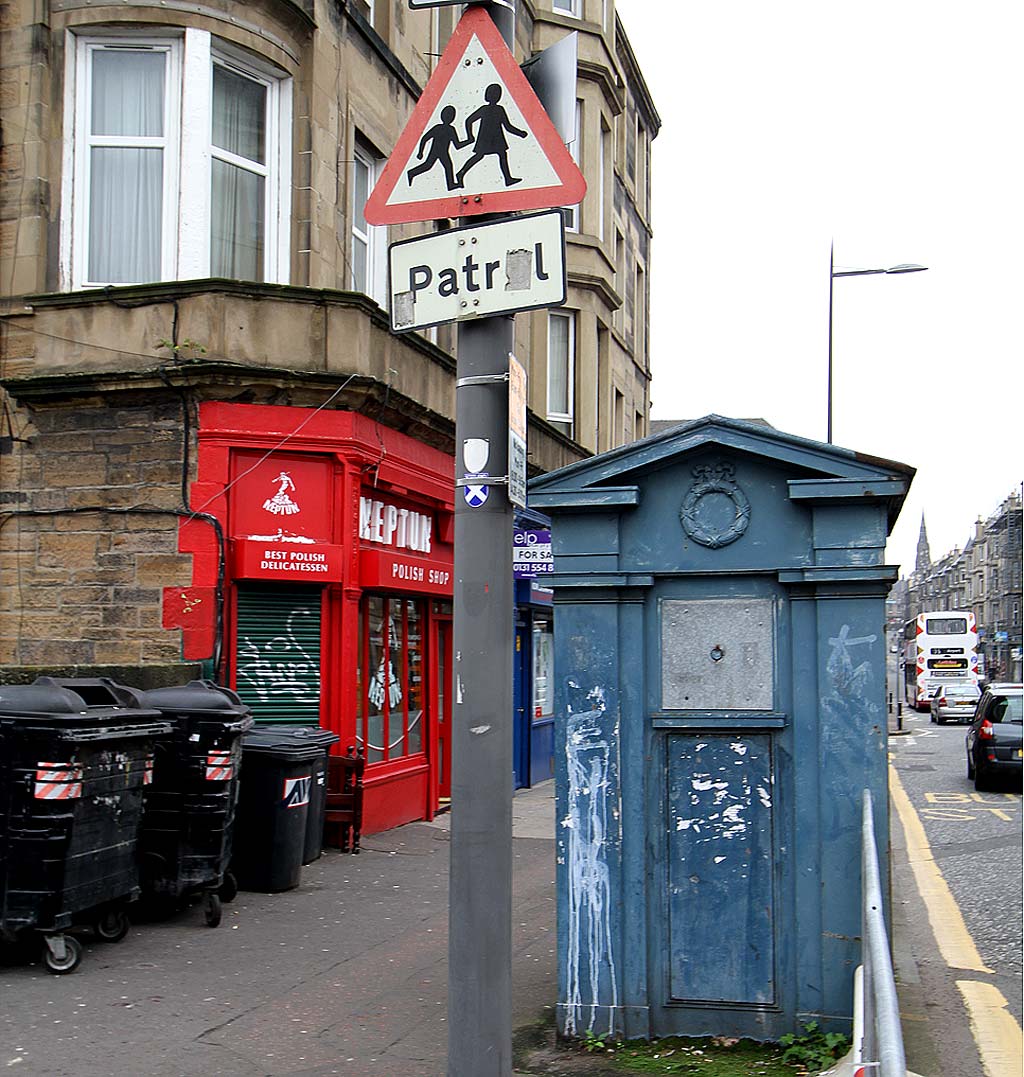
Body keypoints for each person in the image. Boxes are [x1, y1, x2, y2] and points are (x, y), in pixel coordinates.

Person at [454, 83, 528, 189]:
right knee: (483, 155)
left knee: (500, 154)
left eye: (497, 94)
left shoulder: (498, 109)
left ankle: (507, 179)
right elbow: (469, 120)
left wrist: (520, 133)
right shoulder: (487, 109)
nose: (496, 96)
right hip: (486, 138)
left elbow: (507, 126)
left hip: (495, 138)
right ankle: (461, 173)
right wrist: (470, 136)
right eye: (494, 94)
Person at [406, 106, 468, 191]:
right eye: (448, 115)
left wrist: (468, 141)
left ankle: (450, 184)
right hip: (436, 151)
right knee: (429, 166)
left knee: (446, 166)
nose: (450, 117)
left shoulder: (451, 129)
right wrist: (420, 152)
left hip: (443, 152)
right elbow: (425, 138)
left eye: (451, 115)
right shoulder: (438, 128)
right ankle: (411, 172)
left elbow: (457, 145)